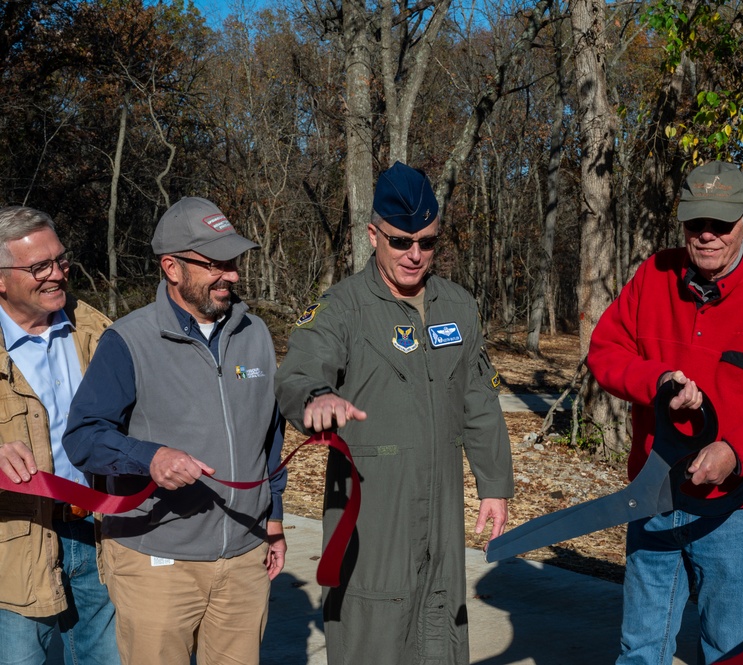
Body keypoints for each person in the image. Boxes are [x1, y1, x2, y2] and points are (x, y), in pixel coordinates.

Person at [586, 161, 743, 664]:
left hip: (738, 513)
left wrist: (736, 453)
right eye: (696, 223)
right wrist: (655, 381)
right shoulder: (654, 275)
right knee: (640, 648)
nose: (707, 236)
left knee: (731, 651)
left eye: (721, 224)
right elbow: (605, 351)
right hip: (656, 494)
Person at [274, 161, 514, 665]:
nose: (415, 255)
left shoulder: (458, 307)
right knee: (372, 628)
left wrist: (494, 485)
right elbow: (296, 374)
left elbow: (480, 401)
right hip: (372, 509)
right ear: (372, 235)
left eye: (427, 242)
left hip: (442, 507)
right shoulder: (343, 307)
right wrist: (316, 398)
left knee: (439, 619)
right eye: (401, 241)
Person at [62, 197, 287, 665]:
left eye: (235, 262)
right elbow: (84, 436)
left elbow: (269, 434)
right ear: (172, 267)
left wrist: (275, 519)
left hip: (244, 557)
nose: (232, 275)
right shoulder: (128, 340)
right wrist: (150, 458)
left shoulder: (256, 334)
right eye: (216, 264)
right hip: (157, 561)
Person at [0, 206, 118, 665]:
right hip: (16, 544)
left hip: (99, 536)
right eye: (38, 267)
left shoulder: (98, 331)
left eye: (61, 260)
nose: (57, 275)